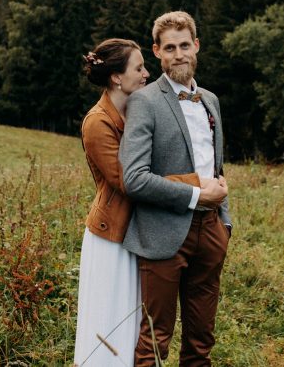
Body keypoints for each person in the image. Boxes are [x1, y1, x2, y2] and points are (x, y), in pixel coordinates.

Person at [74, 38, 201, 366]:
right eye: (139, 67)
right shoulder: (97, 122)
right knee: (109, 320)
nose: (147, 73)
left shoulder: (138, 110)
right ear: (117, 77)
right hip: (111, 237)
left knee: (136, 324)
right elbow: (129, 181)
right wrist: (196, 184)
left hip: (142, 230)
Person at [120, 11, 231, 366]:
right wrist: (197, 195)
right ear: (157, 52)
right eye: (170, 48)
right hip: (164, 234)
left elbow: (216, 168)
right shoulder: (145, 101)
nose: (179, 54)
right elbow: (134, 178)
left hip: (211, 232)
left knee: (201, 340)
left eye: (185, 45)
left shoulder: (211, 100)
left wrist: (224, 225)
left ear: (196, 46)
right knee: (155, 339)